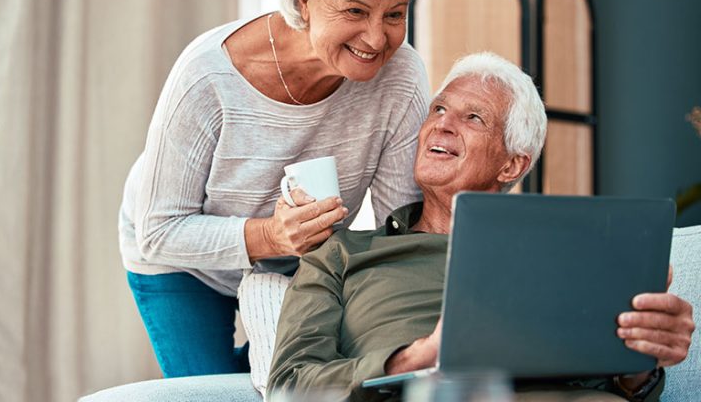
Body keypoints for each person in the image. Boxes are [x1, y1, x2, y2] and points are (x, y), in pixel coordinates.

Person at [268, 52, 696, 402]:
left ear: (512, 164)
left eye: (474, 118)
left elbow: (610, 387)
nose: (442, 124)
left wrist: (642, 360)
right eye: (438, 109)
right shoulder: (341, 254)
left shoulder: (566, 258)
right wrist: (418, 357)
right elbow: (291, 384)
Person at [118, 0, 430, 377]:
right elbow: (159, 230)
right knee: (215, 389)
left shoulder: (401, 75)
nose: (376, 38)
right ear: (304, 0)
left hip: (304, 262)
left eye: (394, 13)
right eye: (355, 9)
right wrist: (271, 235)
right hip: (183, 262)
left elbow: (398, 229)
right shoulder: (207, 76)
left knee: (310, 376)